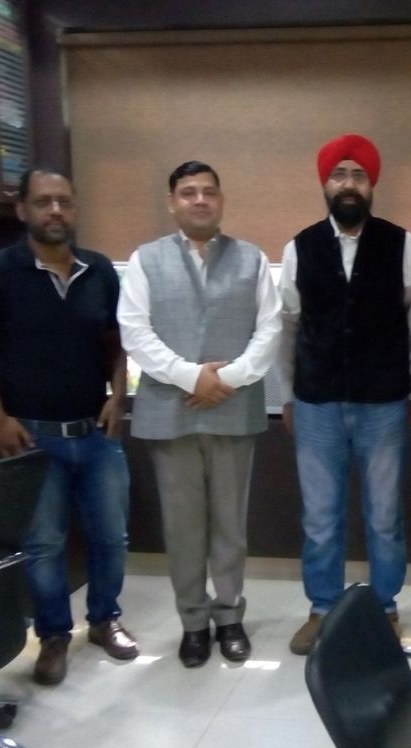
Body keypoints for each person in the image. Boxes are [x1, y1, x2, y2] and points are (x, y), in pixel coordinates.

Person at [0, 167, 137, 686]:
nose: (56, 210)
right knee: (44, 545)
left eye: (64, 201)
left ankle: (104, 620)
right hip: (32, 437)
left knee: (112, 538)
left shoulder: (99, 270)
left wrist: (119, 396)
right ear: (23, 209)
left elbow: (115, 344)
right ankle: (54, 636)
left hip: (96, 433)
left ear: (76, 208)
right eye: (43, 202)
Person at [118, 161, 281, 668]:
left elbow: (270, 329)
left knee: (230, 524)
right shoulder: (144, 260)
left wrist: (227, 379)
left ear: (221, 200)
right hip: (171, 413)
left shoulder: (252, 259)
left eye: (209, 191)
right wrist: (191, 377)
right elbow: (135, 331)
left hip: (234, 408)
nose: (200, 200)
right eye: (188, 192)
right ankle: (193, 622)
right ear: (172, 203)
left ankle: (229, 617)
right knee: (183, 527)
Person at [278, 134, 411, 655]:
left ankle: (384, 608)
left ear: (372, 184)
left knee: (384, 517)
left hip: (383, 403)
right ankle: (322, 609)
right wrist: (287, 397)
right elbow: (287, 330)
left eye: (358, 175)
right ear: (325, 183)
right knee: (320, 519)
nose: (348, 184)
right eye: (339, 174)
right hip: (316, 403)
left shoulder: (405, 246)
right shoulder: (298, 248)